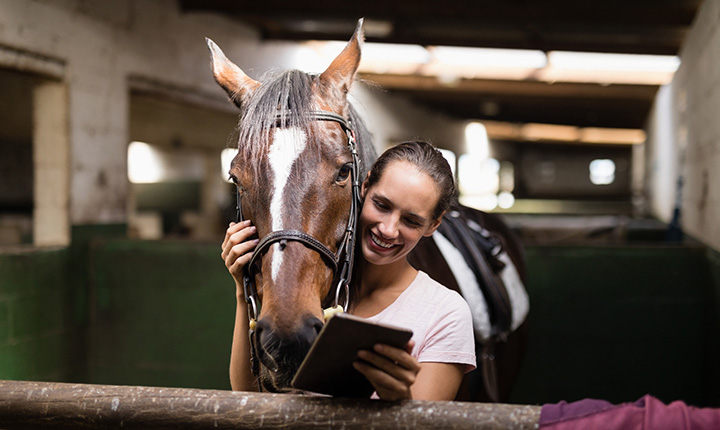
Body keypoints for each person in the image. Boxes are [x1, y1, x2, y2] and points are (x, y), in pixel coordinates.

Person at [221, 140, 476, 401]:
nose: (388, 230)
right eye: (381, 205)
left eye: (411, 221)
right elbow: (249, 398)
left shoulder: (446, 313)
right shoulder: (311, 287)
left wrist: (398, 398)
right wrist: (243, 291)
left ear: (433, 224)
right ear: (364, 187)